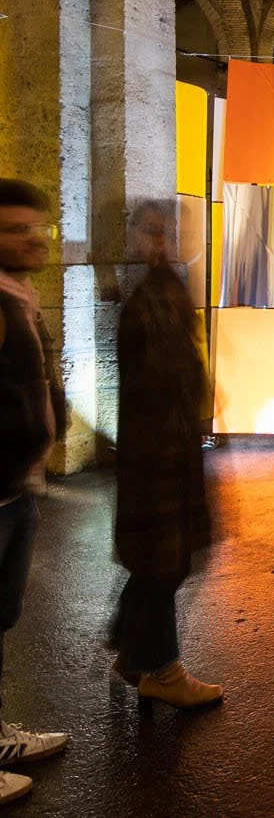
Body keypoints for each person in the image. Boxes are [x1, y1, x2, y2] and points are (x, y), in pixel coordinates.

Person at [108, 200, 221, 708]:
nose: (160, 240)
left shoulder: (165, 288)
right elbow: (161, 376)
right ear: (132, 237)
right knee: (163, 561)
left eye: (166, 231)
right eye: (150, 232)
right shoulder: (146, 294)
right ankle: (160, 669)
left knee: (163, 561)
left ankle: (133, 650)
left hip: (167, 446)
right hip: (156, 449)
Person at [0, 178, 69, 806]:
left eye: (35, 227)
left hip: (15, 490)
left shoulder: (19, 296)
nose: (31, 238)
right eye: (13, 229)